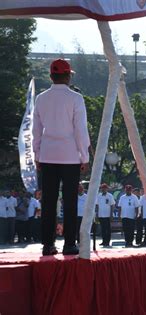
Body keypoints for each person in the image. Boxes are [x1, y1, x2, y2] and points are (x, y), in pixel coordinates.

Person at [33, 59, 90, 256]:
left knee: (48, 202)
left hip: (48, 154)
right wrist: (85, 156)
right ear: (68, 76)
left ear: (51, 76)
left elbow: (36, 130)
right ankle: (69, 244)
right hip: (70, 156)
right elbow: (80, 130)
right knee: (70, 201)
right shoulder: (75, 98)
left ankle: (48, 244)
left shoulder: (41, 98)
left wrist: (37, 154)